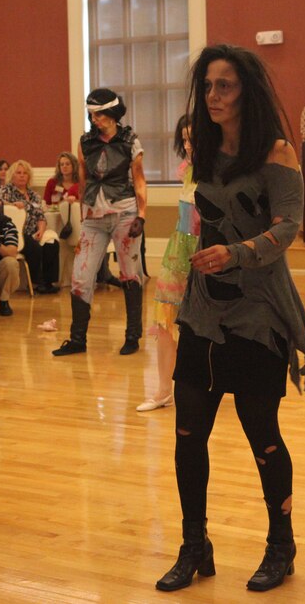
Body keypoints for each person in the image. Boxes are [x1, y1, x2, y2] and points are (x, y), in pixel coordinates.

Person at [155, 44, 305, 593]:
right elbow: (187, 222)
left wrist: (237, 253)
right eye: (207, 86)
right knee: (186, 435)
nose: (213, 96)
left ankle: (281, 544)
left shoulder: (276, 152)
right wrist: (168, 295)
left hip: (257, 317)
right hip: (202, 315)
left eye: (224, 85)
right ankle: (194, 545)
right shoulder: (199, 154)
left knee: (262, 435)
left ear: (246, 89)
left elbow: (288, 228)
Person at [52, 88, 147, 356]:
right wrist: (84, 213)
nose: (95, 119)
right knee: (81, 276)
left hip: (125, 214)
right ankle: (77, 340)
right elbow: (83, 180)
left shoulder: (130, 141)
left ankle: (132, 336)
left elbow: (139, 178)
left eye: (99, 114)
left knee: (129, 273)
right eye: (92, 114)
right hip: (94, 218)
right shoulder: (85, 142)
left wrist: (142, 215)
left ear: (112, 113)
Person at [138, 116, 197, 412]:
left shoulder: (220, 172)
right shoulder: (187, 170)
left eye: (192, 139)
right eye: (184, 139)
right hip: (178, 250)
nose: (187, 146)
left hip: (205, 252)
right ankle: (163, 390)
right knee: (164, 320)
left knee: (199, 325)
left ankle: (201, 387)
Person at [0, 159, 60, 295]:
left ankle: (49, 282)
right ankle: (37, 282)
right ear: (12, 175)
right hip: (16, 233)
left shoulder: (34, 195)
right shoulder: (5, 191)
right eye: (18, 173)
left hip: (34, 230)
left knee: (52, 242)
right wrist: (12, 205)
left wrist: (41, 230)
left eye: (25, 173)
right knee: (34, 247)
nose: (22, 175)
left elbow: (41, 216)